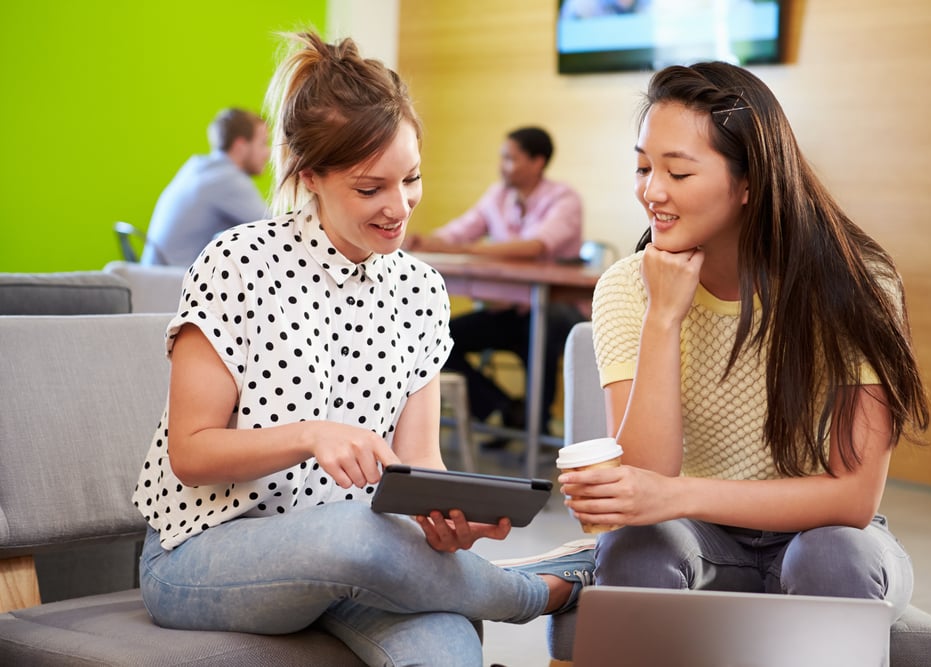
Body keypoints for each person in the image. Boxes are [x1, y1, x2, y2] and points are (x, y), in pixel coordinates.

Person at [131, 32, 594, 666]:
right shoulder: (237, 262)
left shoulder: (421, 289)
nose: (399, 207)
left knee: (448, 648)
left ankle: (513, 586)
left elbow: (419, 459)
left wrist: (447, 513)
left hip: (361, 560)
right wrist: (310, 434)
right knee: (355, 534)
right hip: (204, 553)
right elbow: (190, 452)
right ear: (310, 175)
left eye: (412, 179)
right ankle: (536, 591)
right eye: (370, 188)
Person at [559, 62, 930, 622]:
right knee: (635, 547)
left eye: (678, 174)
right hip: (701, 544)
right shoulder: (626, 288)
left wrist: (680, 495)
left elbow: (853, 499)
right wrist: (663, 318)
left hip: (824, 538)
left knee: (831, 555)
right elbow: (643, 483)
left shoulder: (858, 284)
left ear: (750, 180)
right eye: (642, 167)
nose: (651, 192)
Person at [406, 127, 585, 439]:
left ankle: (536, 430)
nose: (502, 165)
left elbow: (535, 247)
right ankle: (503, 409)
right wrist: (424, 242)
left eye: (510, 158)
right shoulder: (497, 196)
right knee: (439, 341)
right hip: (508, 309)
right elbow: (457, 233)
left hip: (557, 309)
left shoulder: (564, 199)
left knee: (540, 332)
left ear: (537, 162)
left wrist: (463, 249)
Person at [141, 107, 270, 267]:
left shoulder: (197, 167)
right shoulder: (228, 180)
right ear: (240, 146)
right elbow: (273, 231)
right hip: (173, 281)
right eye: (263, 143)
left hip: (151, 273)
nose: (268, 153)